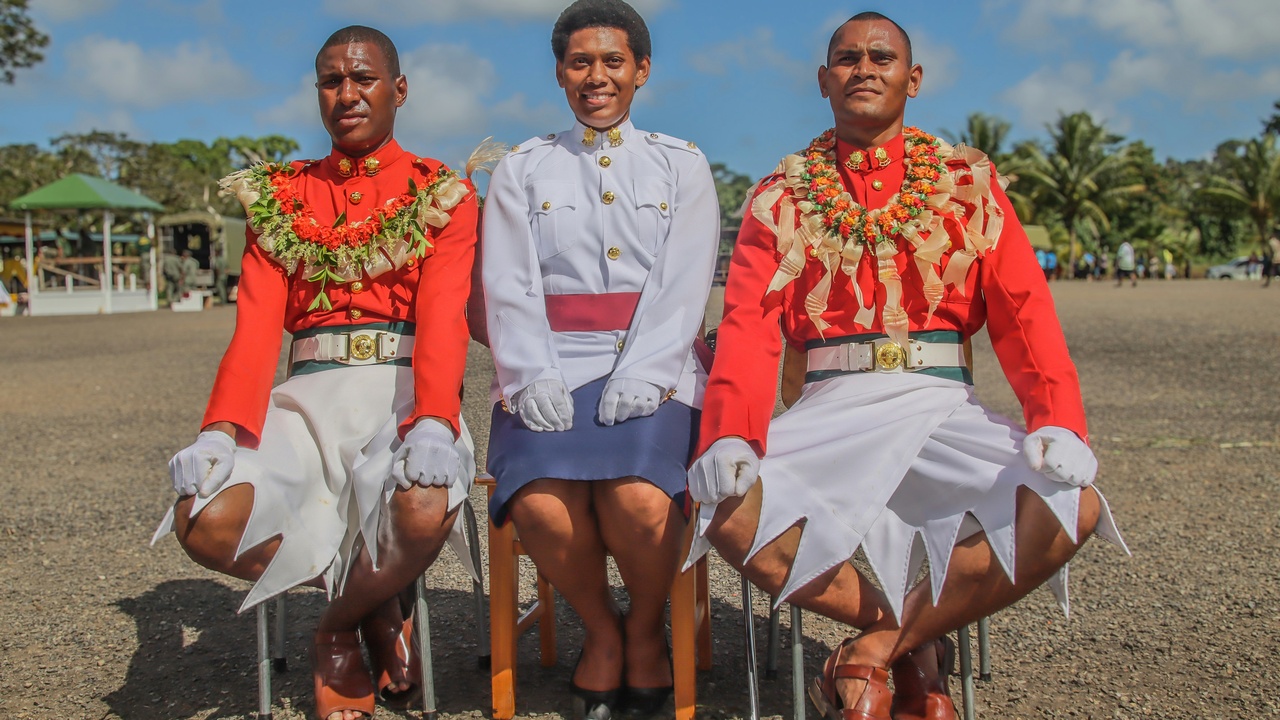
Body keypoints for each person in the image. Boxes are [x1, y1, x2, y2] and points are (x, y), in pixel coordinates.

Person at [684, 12, 1126, 720]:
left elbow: (1025, 312)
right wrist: (732, 430)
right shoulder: (782, 193)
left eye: (881, 57)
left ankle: (870, 652)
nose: (864, 68)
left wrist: (1060, 421)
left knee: (1071, 504)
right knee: (723, 508)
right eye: (848, 58)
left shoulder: (970, 184)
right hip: (829, 402)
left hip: (940, 400)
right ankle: (911, 643)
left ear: (911, 79)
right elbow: (748, 325)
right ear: (824, 79)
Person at [153, 26, 480, 720]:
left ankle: (336, 629)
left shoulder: (441, 191)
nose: (347, 94)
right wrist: (218, 431)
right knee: (203, 519)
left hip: (401, 388)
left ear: (399, 89)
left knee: (423, 503)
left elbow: (446, 317)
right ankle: (372, 604)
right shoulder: (279, 195)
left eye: (363, 78)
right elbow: (254, 326)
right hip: (303, 398)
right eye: (331, 81)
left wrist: (434, 418)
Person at [480, 1, 719, 717]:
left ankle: (645, 634)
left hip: (659, 366)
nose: (596, 77)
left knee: (639, 502)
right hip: (550, 367)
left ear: (641, 70)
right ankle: (603, 632)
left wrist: (647, 372)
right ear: (560, 73)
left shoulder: (682, 165)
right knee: (542, 507)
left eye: (613, 61)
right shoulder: (523, 168)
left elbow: (683, 283)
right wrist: (529, 374)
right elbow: (507, 281)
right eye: (580, 62)